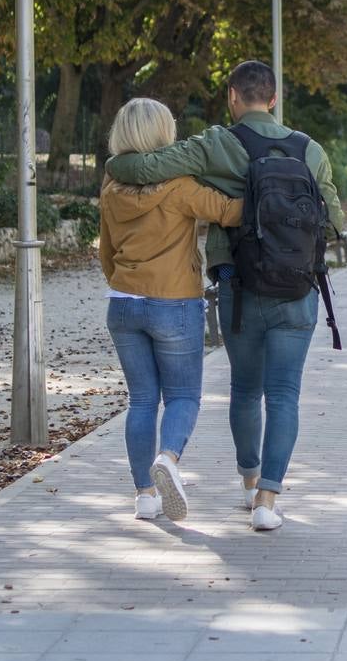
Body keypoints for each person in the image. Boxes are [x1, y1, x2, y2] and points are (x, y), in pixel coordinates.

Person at [106, 60, 345, 532]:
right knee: (284, 395)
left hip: (240, 288)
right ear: (273, 99)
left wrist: (114, 163)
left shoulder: (217, 144)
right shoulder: (310, 149)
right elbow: (334, 219)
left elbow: (146, 167)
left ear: (232, 96)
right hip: (298, 291)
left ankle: (247, 481)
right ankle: (267, 501)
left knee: (245, 390)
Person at [99, 97, 244, 523]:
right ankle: (168, 458)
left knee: (142, 400)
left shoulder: (110, 184)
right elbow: (230, 212)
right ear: (165, 134)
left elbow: (106, 250)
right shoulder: (179, 185)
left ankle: (144, 496)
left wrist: (123, 282)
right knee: (182, 395)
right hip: (174, 302)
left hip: (122, 303)